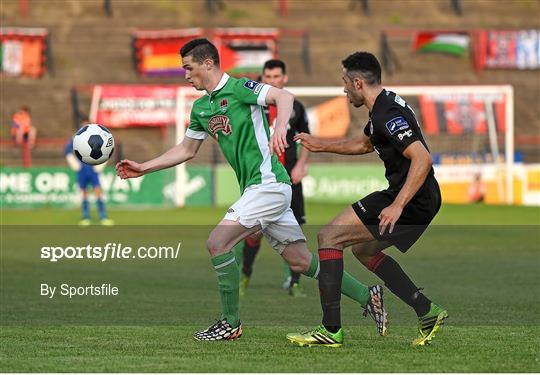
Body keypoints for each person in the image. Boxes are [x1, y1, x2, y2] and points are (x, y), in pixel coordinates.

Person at [116, 39, 387, 342]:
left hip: (268, 185)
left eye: (188, 68)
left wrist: (281, 128)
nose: (185, 74)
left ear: (208, 64)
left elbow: (283, 97)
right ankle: (367, 295)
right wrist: (144, 167)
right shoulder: (201, 108)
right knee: (299, 260)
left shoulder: (240, 88)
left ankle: (230, 323)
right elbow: (187, 150)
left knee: (217, 243)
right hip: (260, 190)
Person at [288, 51, 447, 347]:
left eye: (345, 83)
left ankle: (330, 330)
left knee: (329, 236)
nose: (344, 90)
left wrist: (397, 205)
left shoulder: (387, 114)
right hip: (417, 196)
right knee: (363, 250)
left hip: (412, 197)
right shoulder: (383, 107)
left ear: (358, 82)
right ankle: (427, 311)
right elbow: (364, 144)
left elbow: (422, 158)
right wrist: (321, 146)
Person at [239, 59, 311, 298]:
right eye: (268, 78)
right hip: (262, 177)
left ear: (284, 78)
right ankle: (245, 273)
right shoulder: (254, 105)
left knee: (294, 230)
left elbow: (306, 137)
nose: (272, 81)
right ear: (263, 79)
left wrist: (302, 164)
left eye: (276, 77)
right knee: (254, 231)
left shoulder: (296, 107)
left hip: (290, 177)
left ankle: (294, 282)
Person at [65, 117, 114, 226]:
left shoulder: (97, 137)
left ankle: (103, 216)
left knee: (98, 191)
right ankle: (86, 216)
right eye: (83, 125)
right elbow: (67, 150)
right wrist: (72, 161)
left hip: (93, 169)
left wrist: (103, 163)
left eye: (87, 124)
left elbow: (107, 149)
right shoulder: (76, 138)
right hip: (82, 169)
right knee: (84, 193)